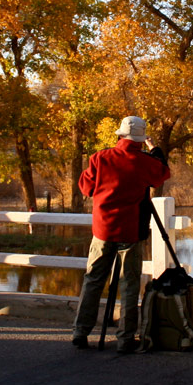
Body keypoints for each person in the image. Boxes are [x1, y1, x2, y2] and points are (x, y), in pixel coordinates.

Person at [72, 116, 170, 353]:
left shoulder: (100, 158)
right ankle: (125, 338)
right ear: (139, 138)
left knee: (93, 280)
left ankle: (81, 332)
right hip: (130, 230)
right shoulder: (143, 161)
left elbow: (85, 188)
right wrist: (155, 149)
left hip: (103, 230)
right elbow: (162, 174)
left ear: (119, 136)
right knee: (129, 284)